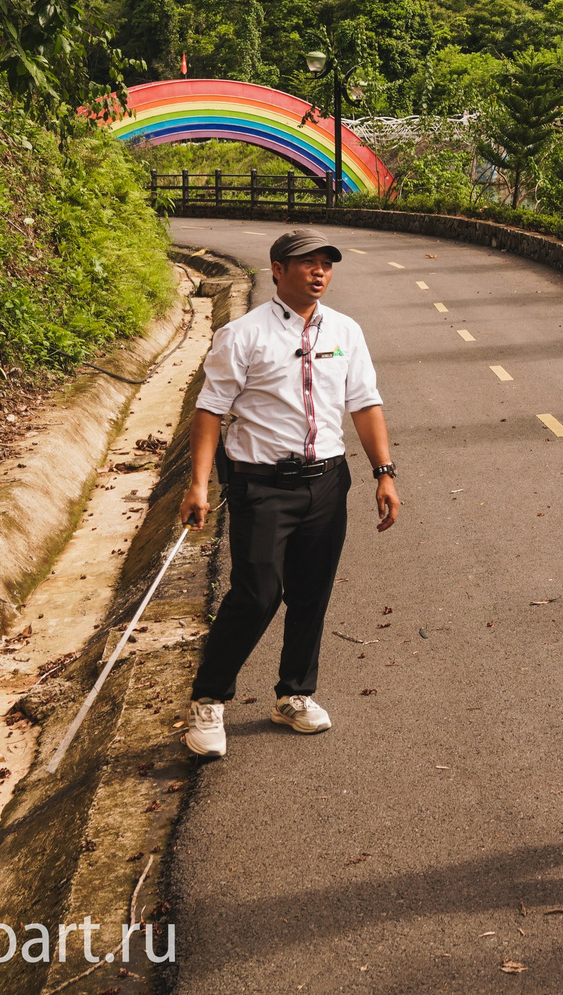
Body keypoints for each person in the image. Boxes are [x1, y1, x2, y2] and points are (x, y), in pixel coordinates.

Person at [180, 229, 399, 759]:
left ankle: (295, 693)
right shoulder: (242, 335)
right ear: (278, 270)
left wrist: (384, 472)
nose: (318, 272)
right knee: (256, 593)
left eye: (326, 263)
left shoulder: (346, 331)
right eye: (306, 263)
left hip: (326, 481)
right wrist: (198, 484)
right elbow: (210, 410)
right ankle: (209, 699)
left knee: (311, 592)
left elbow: (364, 404)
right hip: (260, 484)